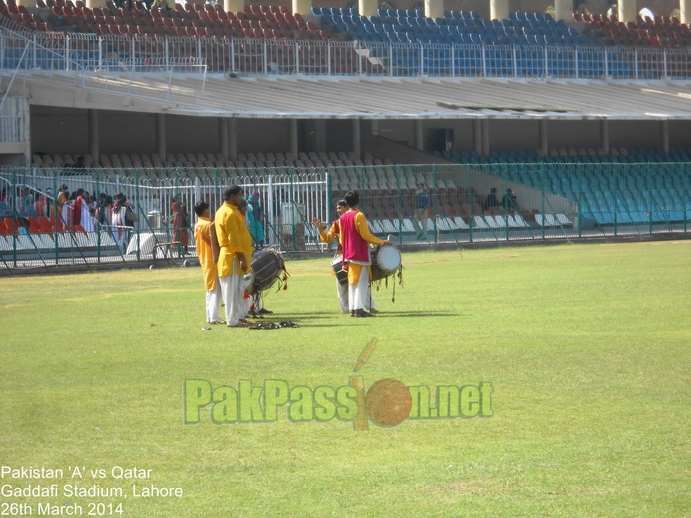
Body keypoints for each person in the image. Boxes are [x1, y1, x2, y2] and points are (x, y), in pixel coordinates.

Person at [312, 200, 377, 315]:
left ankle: (369, 306)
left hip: (355, 254)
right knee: (342, 284)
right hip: (342, 256)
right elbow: (328, 238)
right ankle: (347, 308)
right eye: (337, 208)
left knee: (360, 281)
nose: (338, 210)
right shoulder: (337, 224)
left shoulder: (357, 218)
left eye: (340, 208)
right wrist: (321, 229)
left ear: (347, 207)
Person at [340, 191, 392, 318]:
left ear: (346, 203)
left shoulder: (342, 217)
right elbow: (366, 235)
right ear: (358, 201)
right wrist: (382, 242)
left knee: (352, 282)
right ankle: (359, 309)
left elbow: (342, 239)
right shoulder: (359, 216)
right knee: (362, 282)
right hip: (359, 254)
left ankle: (353, 308)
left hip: (348, 254)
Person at [215, 185, 252, 328]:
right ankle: (232, 320)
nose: (241, 198)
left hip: (233, 256)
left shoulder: (228, 211)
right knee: (230, 291)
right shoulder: (228, 213)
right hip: (232, 256)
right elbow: (233, 239)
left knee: (236, 290)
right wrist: (242, 257)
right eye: (239, 196)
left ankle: (237, 317)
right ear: (232, 197)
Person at [194, 200, 224, 325]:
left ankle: (210, 316)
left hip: (205, 258)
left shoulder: (198, 225)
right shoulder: (208, 225)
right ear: (205, 211)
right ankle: (214, 316)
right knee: (215, 289)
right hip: (213, 259)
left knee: (210, 288)